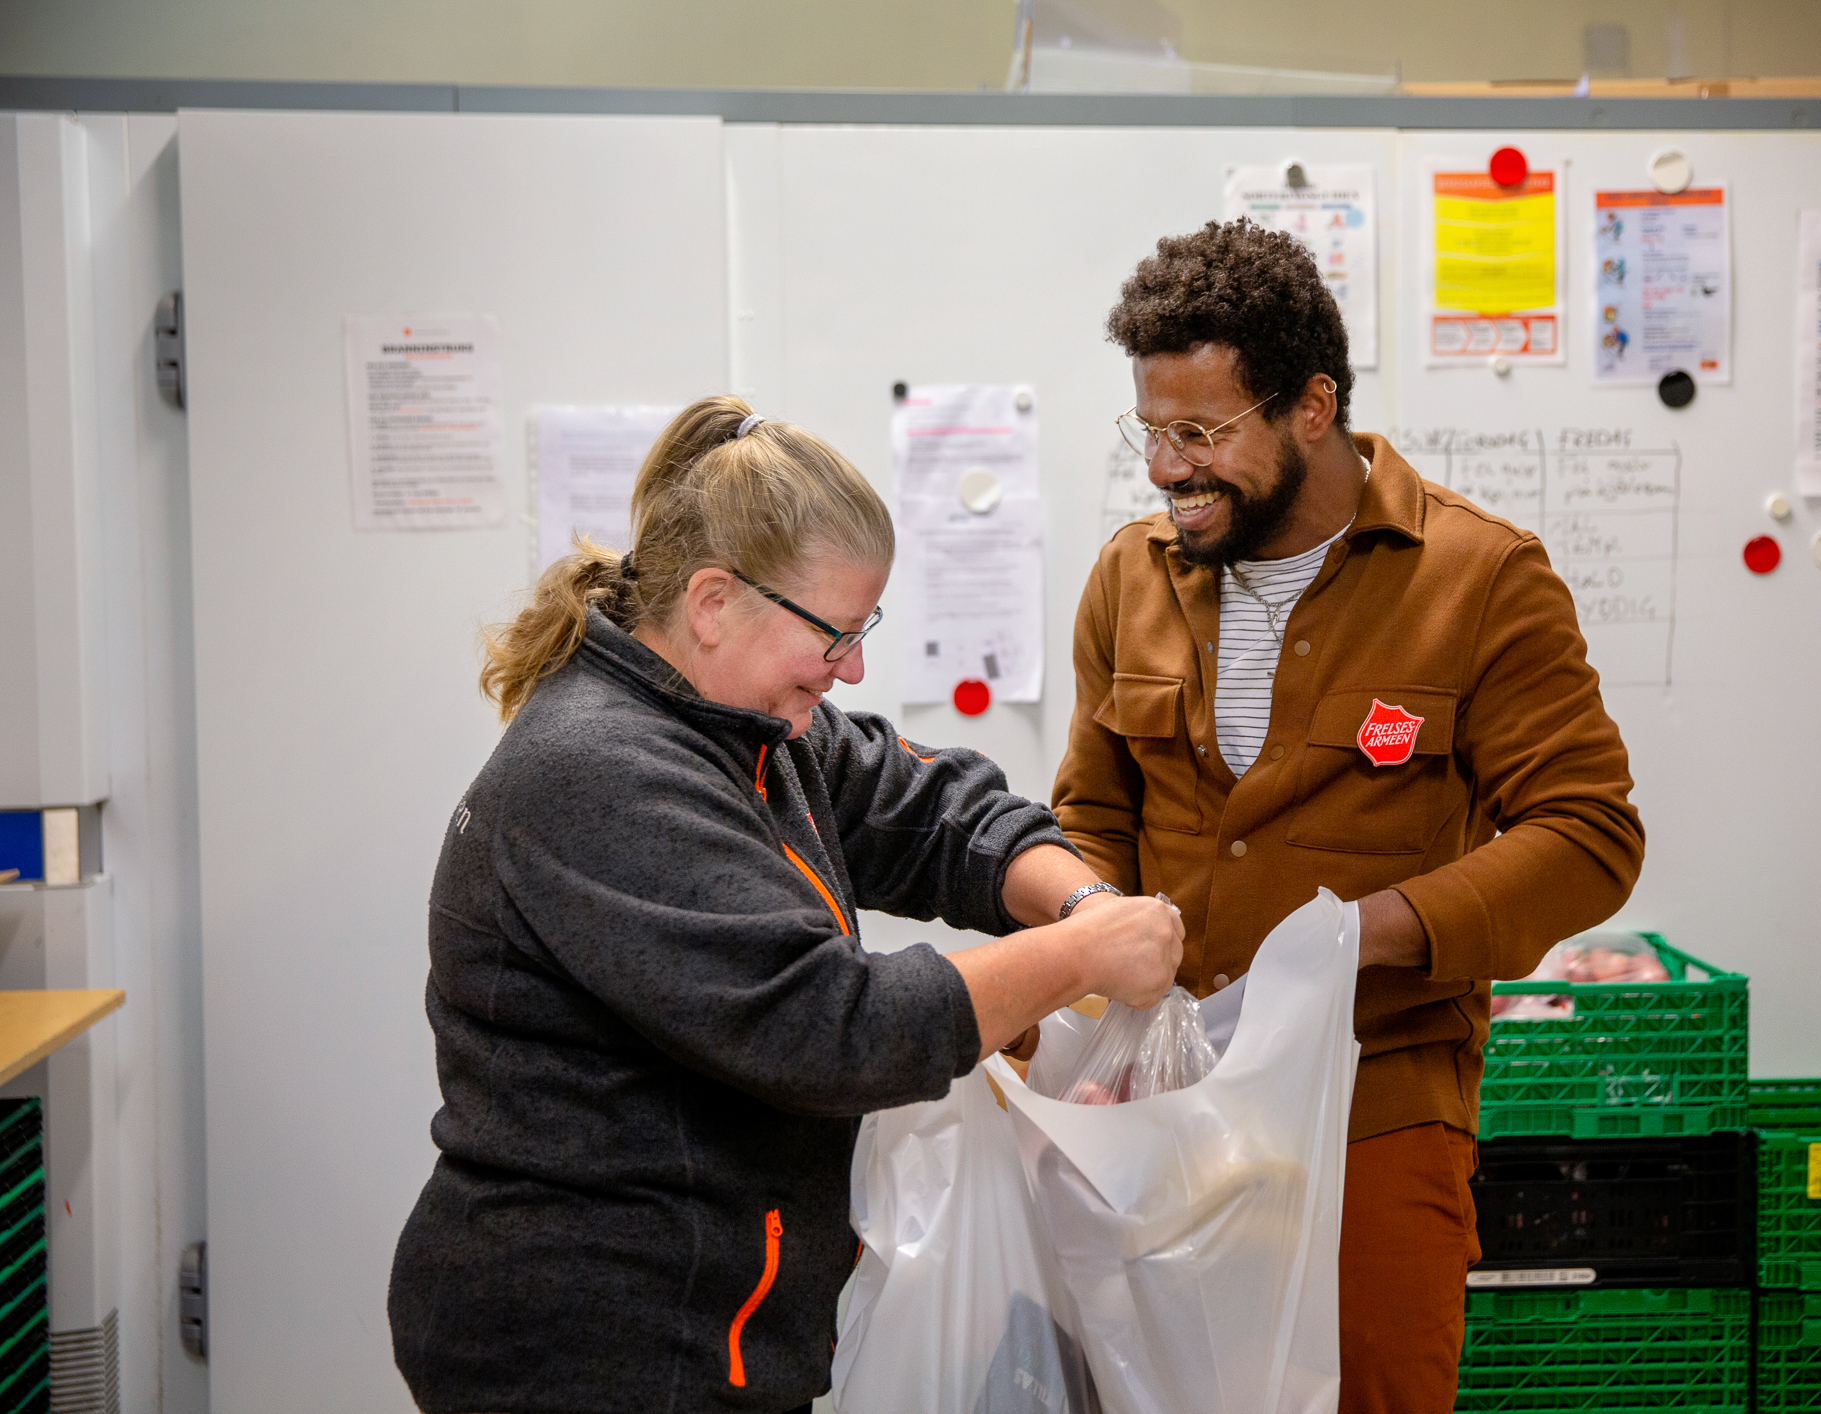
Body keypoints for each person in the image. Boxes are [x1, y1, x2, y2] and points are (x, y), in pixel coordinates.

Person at [387, 397, 1183, 1414]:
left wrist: (1082, 901)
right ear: (714, 600)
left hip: (719, 1325)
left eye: (867, 629)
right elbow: (828, 1026)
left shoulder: (750, 732)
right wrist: (1079, 960)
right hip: (598, 1346)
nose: (852, 667)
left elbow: (934, 811)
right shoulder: (600, 773)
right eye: (836, 632)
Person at [1051, 220, 1646, 1410]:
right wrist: (1091, 965)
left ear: (1311, 407)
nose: (1166, 467)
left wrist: (1363, 933)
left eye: (1201, 433)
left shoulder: (1479, 578)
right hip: (1162, 1104)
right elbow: (1092, 814)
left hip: (1377, 1105)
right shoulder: (1131, 575)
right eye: (1150, 431)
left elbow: (1588, 832)